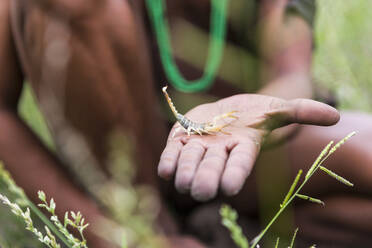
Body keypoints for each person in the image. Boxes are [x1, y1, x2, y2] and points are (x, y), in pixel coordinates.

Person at [0, 0, 370, 247]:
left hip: (244, 160)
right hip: (120, 177)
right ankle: (152, 227)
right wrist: (115, 235)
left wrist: (256, 112)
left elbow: (292, 72)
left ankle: (218, 229)